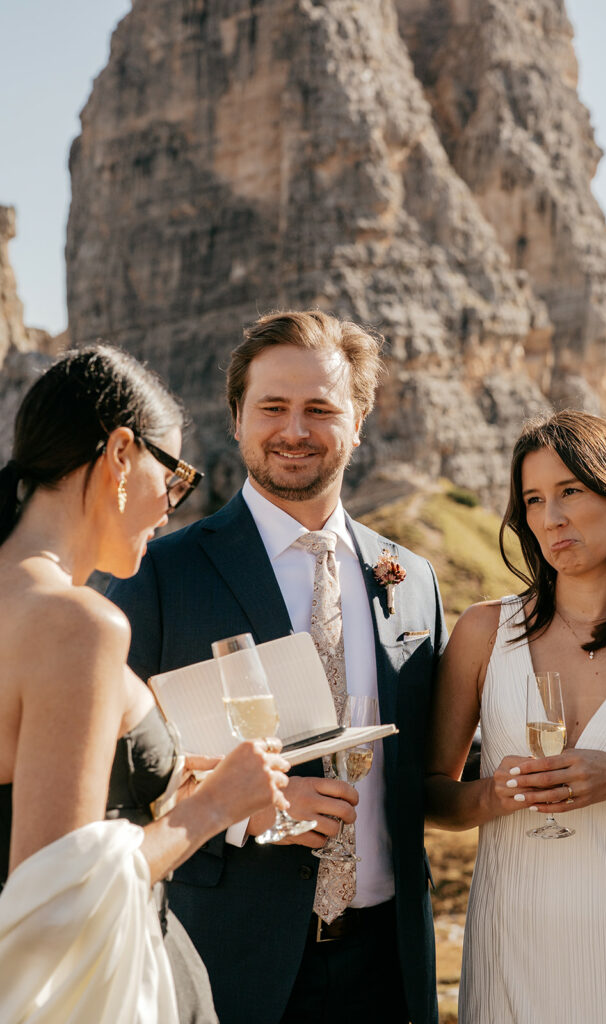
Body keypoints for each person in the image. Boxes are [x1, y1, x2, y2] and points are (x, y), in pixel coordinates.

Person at [107, 309, 447, 1024]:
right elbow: (108, 782)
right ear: (236, 418)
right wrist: (237, 811)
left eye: (320, 409)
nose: (294, 429)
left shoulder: (411, 578)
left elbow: (431, 757)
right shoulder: (161, 574)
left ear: (358, 420)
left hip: (388, 968)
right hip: (222, 963)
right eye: (273, 407)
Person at [0, 345, 290, 1024]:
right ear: (121, 455)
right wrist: (215, 804)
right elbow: (56, 893)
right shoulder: (79, 623)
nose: (171, 504)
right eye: (177, 476)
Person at [427, 409, 606, 1023]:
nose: (551, 518)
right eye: (533, 500)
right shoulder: (484, 632)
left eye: (570, 490)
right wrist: (492, 795)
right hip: (511, 943)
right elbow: (429, 795)